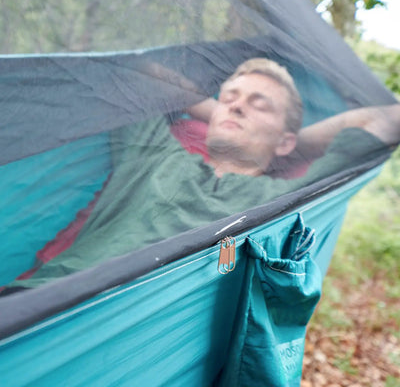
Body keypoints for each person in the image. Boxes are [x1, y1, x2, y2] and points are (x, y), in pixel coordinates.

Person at [5, 58, 400, 289]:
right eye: (229, 97)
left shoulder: (283, 201)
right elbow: (136, 71)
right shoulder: (154, 152)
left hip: (132, 333)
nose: (237, 106)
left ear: (286, 142)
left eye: (257, 104)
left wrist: (288, 141)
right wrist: (222, 114)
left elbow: (387, 119)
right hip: (38, 304)